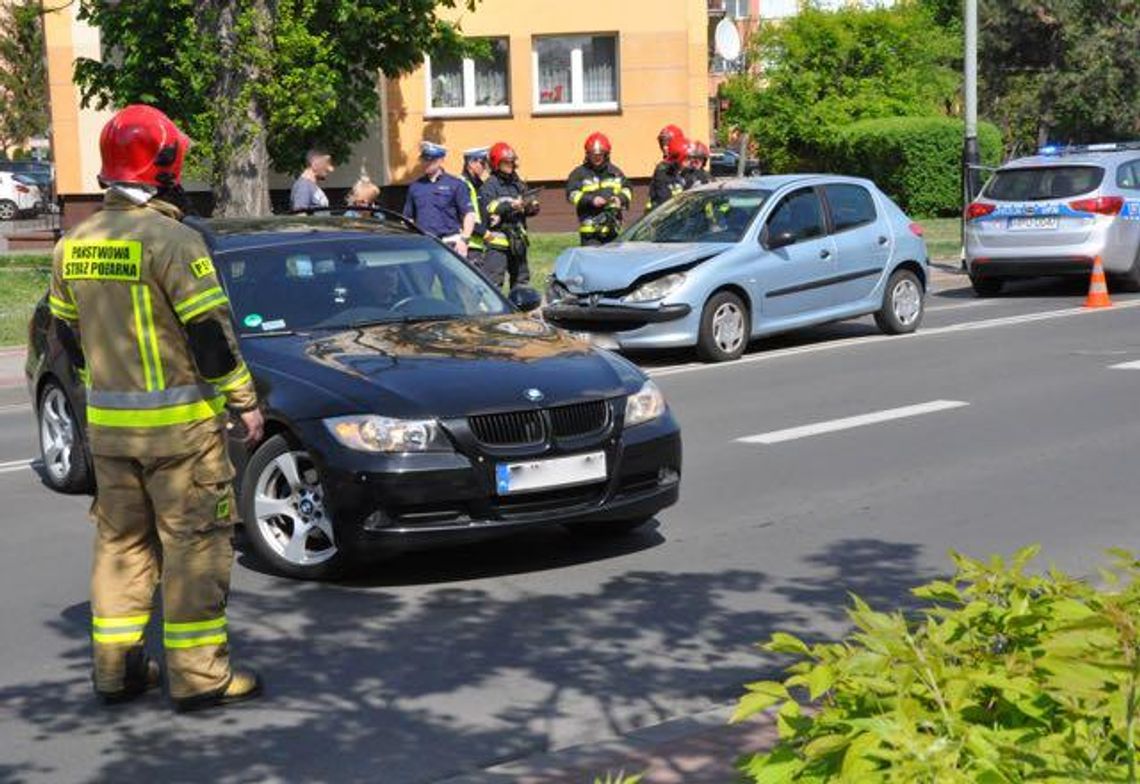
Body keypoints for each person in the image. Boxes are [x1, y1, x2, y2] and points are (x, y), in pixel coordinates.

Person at [47, 105, 265, 712]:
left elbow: (63, 340)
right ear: (164, 167)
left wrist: (98, 392)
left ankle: (116, 672)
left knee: (122, 550)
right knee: (195, 548)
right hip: (181, 435)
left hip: (111, 434)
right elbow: (210, 337)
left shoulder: (76, 243)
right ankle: (200, 678)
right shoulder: (173, 240)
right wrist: (244, 401)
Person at [479, 142, 540, 289]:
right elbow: (489, 208)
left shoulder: (518, 184)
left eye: (512, 162)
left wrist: (530, 206)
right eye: (506, 162)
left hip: (518, 242)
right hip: (497, 245)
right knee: (493, 284)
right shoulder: (489, 186)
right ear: (496, 163)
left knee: (521, 282)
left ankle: (521, 310)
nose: (511, 165)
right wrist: (511, 206)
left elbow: (533, 208)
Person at [402, 141, 476, 258]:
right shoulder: (415, 187)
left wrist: (464, 240)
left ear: (441, 160)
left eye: (431, 160)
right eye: (424, 159)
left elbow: (469, 214)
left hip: (450, 244)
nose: (426, 163)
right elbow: (408, 218)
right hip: (423, 244)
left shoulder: (456, 184)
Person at [566, 132, 632, 246]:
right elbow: (571, 194)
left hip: (613, 231)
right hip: (590, 233)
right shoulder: (579, 174)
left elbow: (627, 189)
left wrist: (620, 199)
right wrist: (591, 200)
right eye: (593, 154)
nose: (596, 158)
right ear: (587, 154)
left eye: (600, 154)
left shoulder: (615, 173)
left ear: (606, 154)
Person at [461, 147, 491, 273]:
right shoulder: (463, 184)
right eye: (482, 163)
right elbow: (464, 215)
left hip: (478, 244)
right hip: (468, 244)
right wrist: (483, 232)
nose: (484, 167)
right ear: (471, 163)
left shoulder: (478, 184)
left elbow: (480, 210)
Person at [647, 135, 689, 212]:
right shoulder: (663, 172)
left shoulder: (683, 174)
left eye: (667, 144)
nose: (665, 148)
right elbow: (664, 200)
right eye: (663, 144)